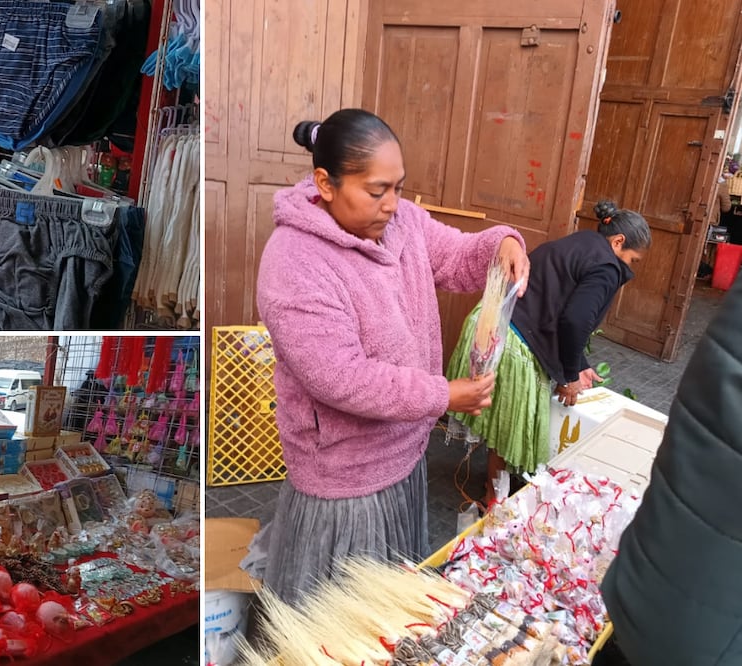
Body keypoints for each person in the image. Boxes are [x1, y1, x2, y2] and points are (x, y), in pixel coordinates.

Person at [253, 108, 529, 604]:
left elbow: (457, 255)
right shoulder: (293, 261)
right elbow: (341, 377)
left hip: (405, 453)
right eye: (377, 191)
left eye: (398, 188)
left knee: (390, 608)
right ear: (326, 184)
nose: (392, 204)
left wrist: (502, 243)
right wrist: (444, 395)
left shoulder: (403, 223)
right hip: (344, 478)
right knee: (337, 615)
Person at [445, 201, 650, 505]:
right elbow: (574, 321)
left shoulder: (582, 242)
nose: (629, 267)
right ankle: (495, 499)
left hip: (490, 324)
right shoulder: (607, 266)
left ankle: (494, 486)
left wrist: (579, 364)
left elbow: (557, 302)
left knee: (500, 421)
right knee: (509, 429)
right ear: (618, 242)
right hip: (514, 343)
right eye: (632, 260)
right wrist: (568, 377)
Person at [596, 277, 742, 666]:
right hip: (701, 633)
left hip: (646, 583)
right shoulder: (602, 271)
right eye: (633, 264)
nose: (631, 272)